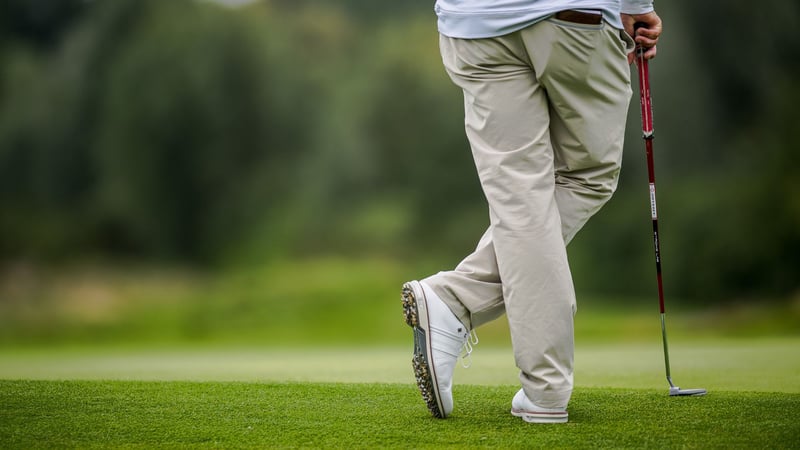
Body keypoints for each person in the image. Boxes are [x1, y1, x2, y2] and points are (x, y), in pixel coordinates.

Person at [401, 1, 662, 423]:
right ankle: (533, 379)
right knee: (588, 175)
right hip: (574, 19)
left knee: (520, 197)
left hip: (476, 26)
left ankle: (460, 307)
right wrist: (636, 6)